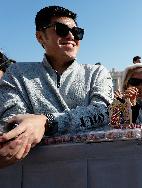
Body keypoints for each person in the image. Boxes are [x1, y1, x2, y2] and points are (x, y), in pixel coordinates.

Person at [0, 6, 113, 168]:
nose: (71, 36)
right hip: (33, 170)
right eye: (61, 29)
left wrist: (46, 121)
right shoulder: (17, 73)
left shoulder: (97, 72)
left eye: (77, 32)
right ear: (40, 37)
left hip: (91, 166)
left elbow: (102, 112)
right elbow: (12, 123)